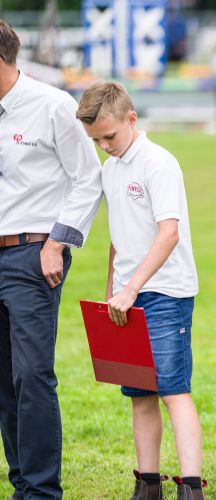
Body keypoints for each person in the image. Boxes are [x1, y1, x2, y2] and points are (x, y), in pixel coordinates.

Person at [77, 82, 204, 500]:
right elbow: (119, 237)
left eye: (109, 137)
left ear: (131, 119)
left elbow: (168, 234)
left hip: (165, 294)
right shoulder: (110, 170)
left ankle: (191, 487)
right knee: (139, 393)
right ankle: (148, 484)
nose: (104, 147)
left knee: (173, 390)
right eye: (96, 141)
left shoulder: (158, 163)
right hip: (125, 297)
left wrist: (132, 288)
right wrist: (112, 288)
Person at [0, 19, 102, 499]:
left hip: (32, 256)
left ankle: (41, 491)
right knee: (3, 379)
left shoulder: (52, 106)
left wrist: (57, 244)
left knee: (31, 374)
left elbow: (88, 178)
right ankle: (22, 482)